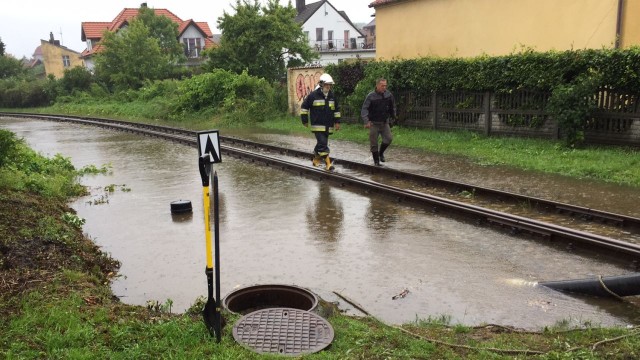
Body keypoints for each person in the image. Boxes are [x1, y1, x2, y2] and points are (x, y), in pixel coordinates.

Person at [300, 73, 341, 170]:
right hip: (317, 125)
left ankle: (316, 159)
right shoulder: (313, 96)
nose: (328, 86)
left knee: (322, 144)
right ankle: (328, 164)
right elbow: (304, 108)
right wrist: (305, 120)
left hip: (328, 126)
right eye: (327, 84)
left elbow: (337, 110)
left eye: (330, 85)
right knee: (323, 144)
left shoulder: (332, 96)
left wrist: (337, 122)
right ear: (322, 84)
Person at [361, 78, 396, 166]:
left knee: (389, 139)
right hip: (373, 123)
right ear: (377, 86)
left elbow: (393, 107)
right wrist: (366, 121)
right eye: (382, 86)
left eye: (385, 85)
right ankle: (376, 162)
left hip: (384, 122)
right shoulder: (371, 96)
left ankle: (381, 153)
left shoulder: (389, 95)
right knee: (374, 143)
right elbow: (364, 109)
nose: (384, 87)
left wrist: (393, 117)